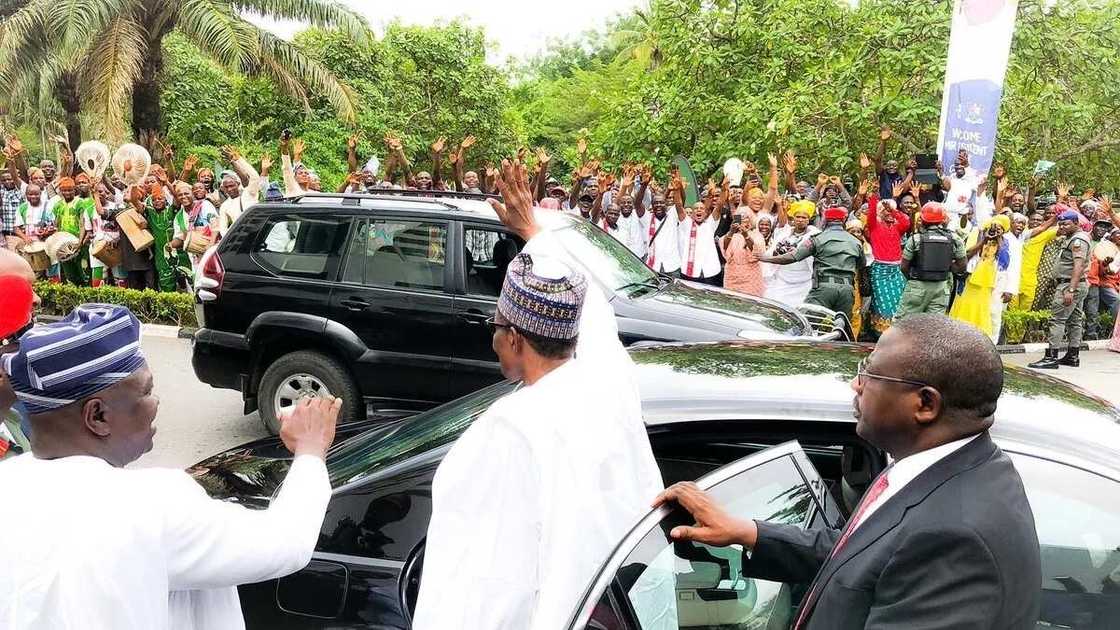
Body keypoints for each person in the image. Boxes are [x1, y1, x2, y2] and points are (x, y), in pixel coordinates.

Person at [655, 314, 1040, 629]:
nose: (857, 385)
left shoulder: (955, 539)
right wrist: (748, 533)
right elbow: (863, 555)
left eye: (871, 374)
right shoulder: (955, 470)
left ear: (925, 404)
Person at [413, 159, 663, 629]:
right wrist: (534, 232)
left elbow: (479, 581)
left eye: (495, 325)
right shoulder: (610, 383)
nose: (492, 334)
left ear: (514, 340)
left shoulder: (510, 429)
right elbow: (595, 319)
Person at [0, 304, 340, 629]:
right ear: (98, 416)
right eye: (147, 391)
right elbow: (286, 544)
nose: (156, 402)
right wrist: (310, 449)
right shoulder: (151, 505)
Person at [762, 206, 864, 316]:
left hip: (824, 289)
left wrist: (766, 258)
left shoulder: (817, 239)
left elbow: (793, 257)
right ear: (843, 220)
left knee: (809, 320)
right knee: (841, 324)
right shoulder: (856, 242)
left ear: (825, 220)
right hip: (847, 290)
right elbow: (861, 264)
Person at [1029, 210, 1093, 369]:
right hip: (1074, 284)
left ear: (1076, 223)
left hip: (1069, 285)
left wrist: (1071, 290)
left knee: (1057, 320)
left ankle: (1051, 357)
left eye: (1066, 224)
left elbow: (1078, 265)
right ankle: (1073, 355)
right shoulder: (1073, 238)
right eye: (1061, 224)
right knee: (1075, 320)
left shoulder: (1078, 240)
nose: (1062, 226)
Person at [897, 202, 968, 319]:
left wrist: (913, 279)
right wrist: (945, 266)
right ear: (943, 219)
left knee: (903, 326)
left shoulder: (916, 239)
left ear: (923, 219)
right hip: (941, 288)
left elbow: (904, 267)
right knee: (934, 327)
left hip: (917, 286)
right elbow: (962, 266)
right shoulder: (954, 238)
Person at [950, 215, 1013, 338]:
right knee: (965, 309)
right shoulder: (978, 236)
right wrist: (984, 240)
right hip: (970, 282)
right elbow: (966, 254)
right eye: (993, 227)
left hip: (988, 286)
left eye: (999, 228)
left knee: (984, 313)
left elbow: (1005, 262)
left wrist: (998, 238)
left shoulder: (1005, 243)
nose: (995, 230)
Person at [865, 197, 911, 334]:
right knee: (882, 303)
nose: (888, 213)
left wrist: (893, 210)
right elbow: (871, 216)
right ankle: (881, 332)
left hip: (896, 270)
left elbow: (906, 222)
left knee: (899, 300)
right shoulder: (874, 226)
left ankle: (897, 330)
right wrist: (873, 198)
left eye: (889, 210)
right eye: (884, 210)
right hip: (879, 269)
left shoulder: (897, 227)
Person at [764, 199, 820, 305]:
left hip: (804, 281)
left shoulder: (815, 234)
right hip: (783, 278)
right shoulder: (785, 233)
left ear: (808, 220)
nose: (800, 220)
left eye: (804, 217)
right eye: (798, 217)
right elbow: (781, 225)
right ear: (793, 218)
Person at [1014, 212, 1058, 310]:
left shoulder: (1044, 235)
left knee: (1024, 314)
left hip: (1029, 281)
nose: (1035, 222)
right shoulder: (1020, 234)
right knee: (1011, 313)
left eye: (1039, 220)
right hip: (1013, 281)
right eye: (1033, 219)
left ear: (1043, 222)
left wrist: (1063, 210)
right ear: (1028, 222)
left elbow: (1064, 229)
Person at [1085, 218, 1119, 340]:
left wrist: (1105, 264)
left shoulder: (1106, 246)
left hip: (1094, 281)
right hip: (1080, 280)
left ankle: (1091, 334)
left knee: (1092, 310)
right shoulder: (1084, 239)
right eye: (1099, 226)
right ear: (1093, 226)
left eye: (1105, 228)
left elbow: (1104, 271)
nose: (1102, 229)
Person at [720, 215, 766, 296]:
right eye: (741, 219)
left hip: (751, 276)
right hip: (732, 276)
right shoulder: (730, 235)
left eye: (746, 219)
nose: (744, 222)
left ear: (750, 223)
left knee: (751, 301)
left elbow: (756, 251)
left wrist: (745, 235)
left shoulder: (757, 235)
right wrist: (731, 231)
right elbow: (724, 247)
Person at [679, 201, 722, 285]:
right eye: (696, 208)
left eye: (702, 208)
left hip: (711, 273)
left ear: (706, 213)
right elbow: (678, 206)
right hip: (689, 273)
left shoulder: (710, 224)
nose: (699, 210)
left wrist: (725, 188)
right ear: (692, 214)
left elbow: (719, 205)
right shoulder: (686, 224)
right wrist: (676, 189)